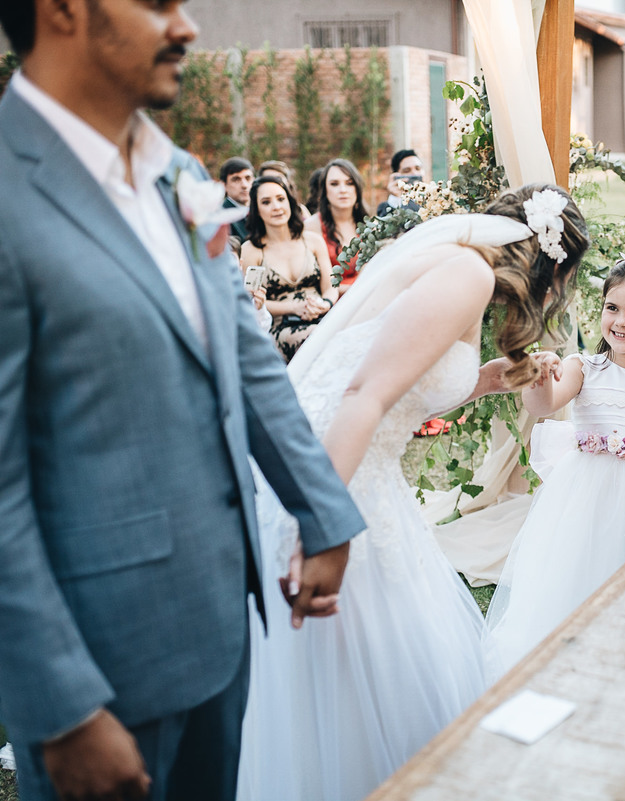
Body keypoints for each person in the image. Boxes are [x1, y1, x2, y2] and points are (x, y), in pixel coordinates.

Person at [0, 2, 366, 799]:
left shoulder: (180, 174)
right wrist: (61, 704)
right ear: (61, 10)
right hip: (100, 657)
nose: (187, 25)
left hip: (221, 623)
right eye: (158, 3)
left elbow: (246, 357)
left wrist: (323, 511)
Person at [237, 184, 591, 801]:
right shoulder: (467, 276)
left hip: (356, 468)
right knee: (371, 657)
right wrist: (320, 525)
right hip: (341, 475)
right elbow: (361, 396)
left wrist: (484, 381)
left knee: (364, 661)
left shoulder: (455, 264)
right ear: (548, 262)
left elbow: (396, 385)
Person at [486, 257, 625, 670]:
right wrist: (536, 378)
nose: (621, 321)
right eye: (612, 308)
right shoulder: (583, 368)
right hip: (583, 503)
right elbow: (544, 403)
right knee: (571, 579)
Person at [240, 175, 338, 361]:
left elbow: (330, 285)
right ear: (257, 210)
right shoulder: (251, 250)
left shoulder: (313, 240)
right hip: (280, 326)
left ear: (289, 202)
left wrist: (324, 304)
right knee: (316, 338)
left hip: (321, 317)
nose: (276, 207)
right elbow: (252, 301)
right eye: (266, 202)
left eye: (280, 199)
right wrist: (293, 307)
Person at [305, 158, 368, 296]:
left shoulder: (370, 226)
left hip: (367, 300)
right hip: (330, 305)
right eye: (334, 184)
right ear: (324, 190)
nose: (343, 190)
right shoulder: (311, 227)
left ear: (357, 188)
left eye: (349, 183)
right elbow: (313, 284)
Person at [376, 148, 424, 216]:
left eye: (418, 168)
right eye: (407, 171)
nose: (414, 173)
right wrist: (396, 198)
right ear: (397, 176)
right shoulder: (388, 206)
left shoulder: (437, 200)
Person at [221, 156, 254, 242]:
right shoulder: (221, 217)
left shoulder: (260, 211)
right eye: (236, 179)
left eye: (248, 178)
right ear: (224, 185)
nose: (245, 185)